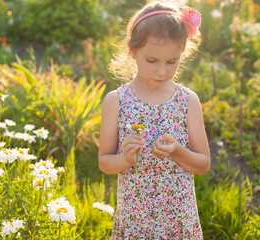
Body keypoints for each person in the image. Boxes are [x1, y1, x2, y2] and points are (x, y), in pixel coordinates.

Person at [98, 1, 211, 239]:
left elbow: (203, 164)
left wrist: (178, 152)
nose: (161, 71)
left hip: (179, 220)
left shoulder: (187, 101)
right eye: (152, 61)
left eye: (172, 62)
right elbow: (105, 163)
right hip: (135, 221)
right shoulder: (116, 101)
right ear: (133, 51)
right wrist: (125, 158)